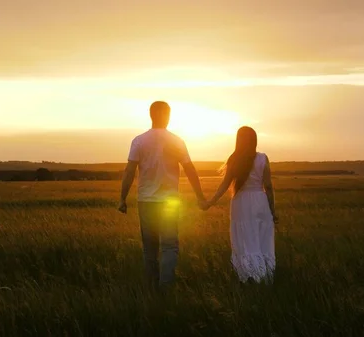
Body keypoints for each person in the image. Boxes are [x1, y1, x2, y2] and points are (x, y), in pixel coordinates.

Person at [119, 101, 207, 290]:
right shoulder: (176, 141)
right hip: (169, 202)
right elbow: (190, 169)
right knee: (169, 246)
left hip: (146, 201)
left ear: (150, 115)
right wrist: (200, 196)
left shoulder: (139, 140)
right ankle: (166, 289)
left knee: (149, 249)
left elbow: (129, 171)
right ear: (168, 116)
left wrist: (122, 199)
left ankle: (152, 289)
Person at [204, 126, 278, 284]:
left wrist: (211, 202)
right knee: (262, 240)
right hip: (260, 201)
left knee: (245, 240)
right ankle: (265, 278)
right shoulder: (263, 158)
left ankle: (249, 277)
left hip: (241, 203)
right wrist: (273, 211)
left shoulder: (234, 159)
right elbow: (269, 187)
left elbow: (224, 185)